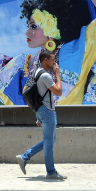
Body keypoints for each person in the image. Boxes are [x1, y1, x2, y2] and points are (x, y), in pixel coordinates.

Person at [16, 50, 66, 179]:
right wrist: (58, 75)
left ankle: (25, 156)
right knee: (49, 141)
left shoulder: (37, 72)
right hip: (47, 111)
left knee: (50, 140)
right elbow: (59, 92)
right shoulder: (46, 76)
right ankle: (51, 172)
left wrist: (39, 115)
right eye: (52, 60)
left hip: (41, 110)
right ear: (45, 60)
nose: (54, 63)